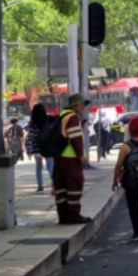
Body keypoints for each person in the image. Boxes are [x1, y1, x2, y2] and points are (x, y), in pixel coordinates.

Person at [54, 94, 92, 224]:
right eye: (82, 104)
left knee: (61, 187)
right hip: (70, 159)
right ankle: (74, 215)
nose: (83, 107)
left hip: (59, 157)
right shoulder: (73, 117)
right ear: (76, 105)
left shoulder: (62, 115)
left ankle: (63, 215)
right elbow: (75, 138)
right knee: (74, 185)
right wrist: (81, 155)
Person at [26, 104, 54, 193]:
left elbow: (31, 137)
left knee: (39, 167)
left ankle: (40, 186)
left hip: (37, 148)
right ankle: (55, 184)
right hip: (48, 147)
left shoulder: (32, 123)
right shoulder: (48, 120)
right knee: (50, 167)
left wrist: (29, 150)